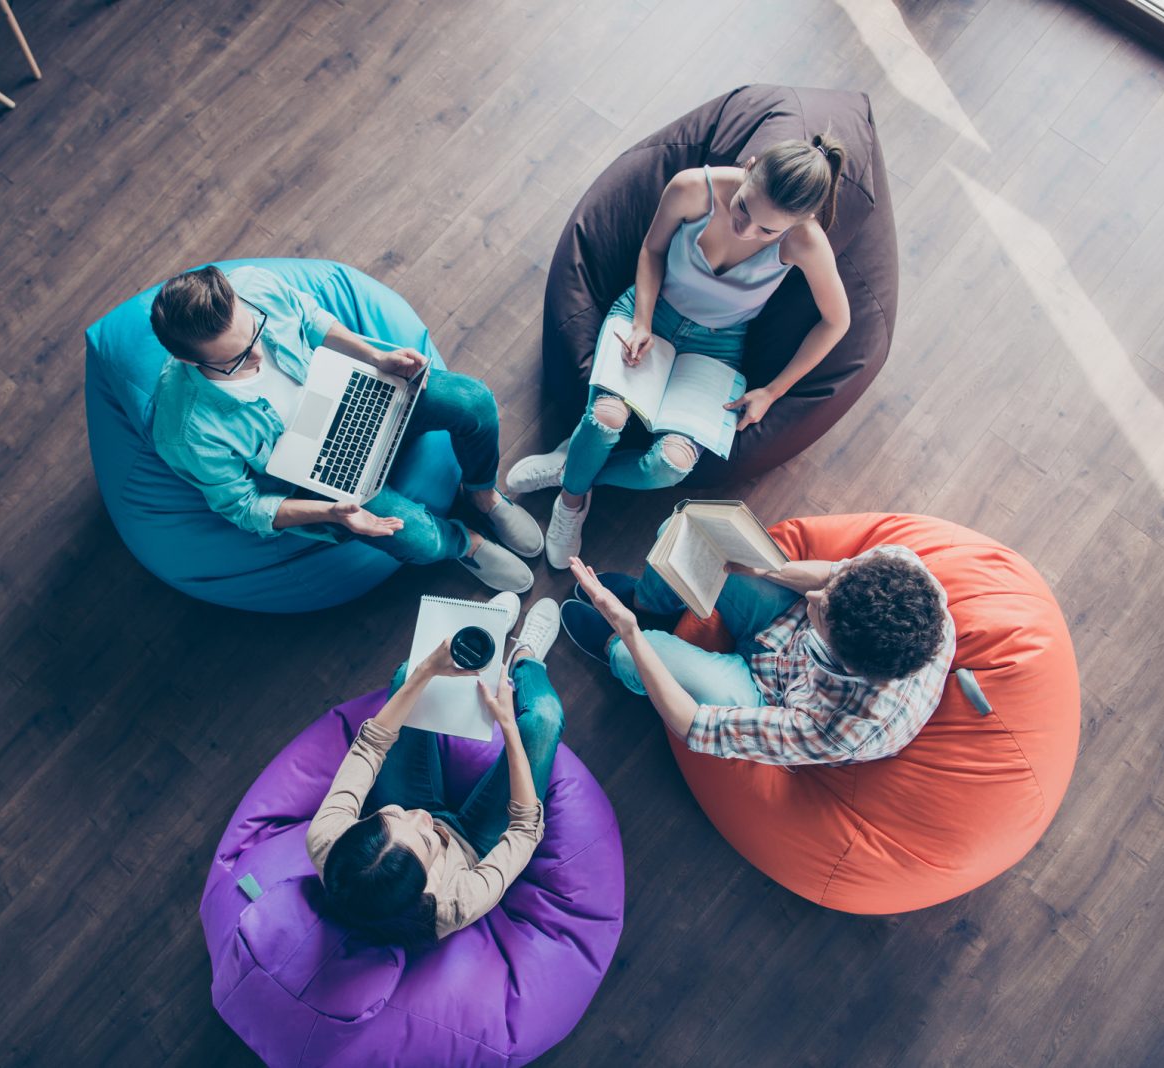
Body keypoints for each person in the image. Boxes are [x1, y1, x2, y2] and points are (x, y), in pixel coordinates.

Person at [508, 137, 854, 568]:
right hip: (650, 310)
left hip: (719, 344)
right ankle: (572, 500)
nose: (745, 230)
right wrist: (642, 323)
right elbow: (652, 250)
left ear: (800, 223)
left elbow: (837, 322)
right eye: (743, 207)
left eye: (768, 231)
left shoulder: (806, 242)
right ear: (748, 168)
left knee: (670, 466)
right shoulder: (692, 188)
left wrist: (773, 391)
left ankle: (573, 466)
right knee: (604, 419)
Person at [149, 264, 542, 593]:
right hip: (314, 473)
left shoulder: (253, 284)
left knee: (472, 401)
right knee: (418, 542)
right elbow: (246, 507)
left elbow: (310, 317)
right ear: (186, 360)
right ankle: (465, 543)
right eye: (235, 360)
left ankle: (482, 495)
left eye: (255, 331)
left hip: (349, 389)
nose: (257, 354)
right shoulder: (186, 432)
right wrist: (332, 512)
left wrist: (377, 356)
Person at [559, 535, 954, 766]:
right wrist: (762, 570)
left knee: (635, 654)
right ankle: (648, 601)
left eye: (821, 609)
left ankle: (617, 641)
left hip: (767, 695)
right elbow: (833, 576)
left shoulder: (841, 730)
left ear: (843, 659)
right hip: (782, 625)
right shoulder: (908, 578)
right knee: (687, 540)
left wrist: (629, 632)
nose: (813, 595)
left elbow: (694, 726)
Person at [306, 595, 564, 946]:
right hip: (474, 842)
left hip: (409, 791)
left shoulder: (327, 840)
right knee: (543, 720)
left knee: (405, 675)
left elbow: (370, 746)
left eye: (391, 818)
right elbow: (524, 830)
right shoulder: (452, 905)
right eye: (425, 841)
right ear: (424, 886)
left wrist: (427, 669)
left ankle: (479, 650)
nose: (420, 818)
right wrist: (508, 726)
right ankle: (526, 659)